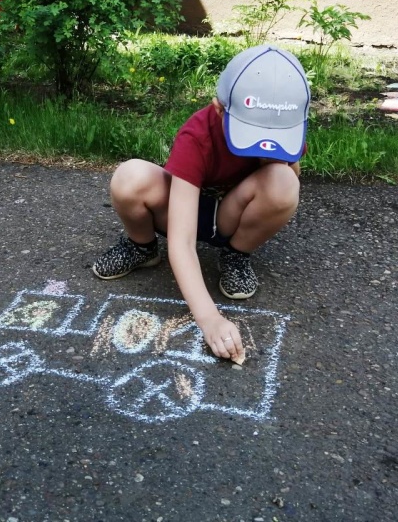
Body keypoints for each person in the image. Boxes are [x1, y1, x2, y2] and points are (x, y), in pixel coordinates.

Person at [92, 45, 310, 362]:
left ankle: (235, 255)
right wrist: (209, 318)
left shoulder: (285, 125)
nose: (263, 140)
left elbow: (286, 182)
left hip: (229, 214)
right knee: (130, 177)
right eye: (252, 131)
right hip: (186, 208)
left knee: (285, 182)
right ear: (219, 109)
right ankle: (142, 248)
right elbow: (180, 242)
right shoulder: (198, 134)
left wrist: (274, 161)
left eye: (273, 133)